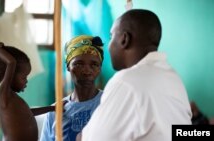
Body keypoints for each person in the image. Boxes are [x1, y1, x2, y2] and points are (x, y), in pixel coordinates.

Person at [80, 9, 192, 141]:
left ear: (124, 39)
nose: (109, 46)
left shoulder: (126, 82)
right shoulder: (173, 78)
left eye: (111, 37)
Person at [40, 35, 104, 141]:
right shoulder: (55, 111)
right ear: (68, 67)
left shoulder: (108, 102)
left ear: (100, 68)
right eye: (79, 64)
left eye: (94, 64)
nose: (87, 71)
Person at [0, 42, 56, 141]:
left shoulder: (12, 98)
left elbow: (28, 113)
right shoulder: (4, 94)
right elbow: (11, 62)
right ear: (10, 75)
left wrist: (52, 108)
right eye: (24, 77)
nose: (26, 81)